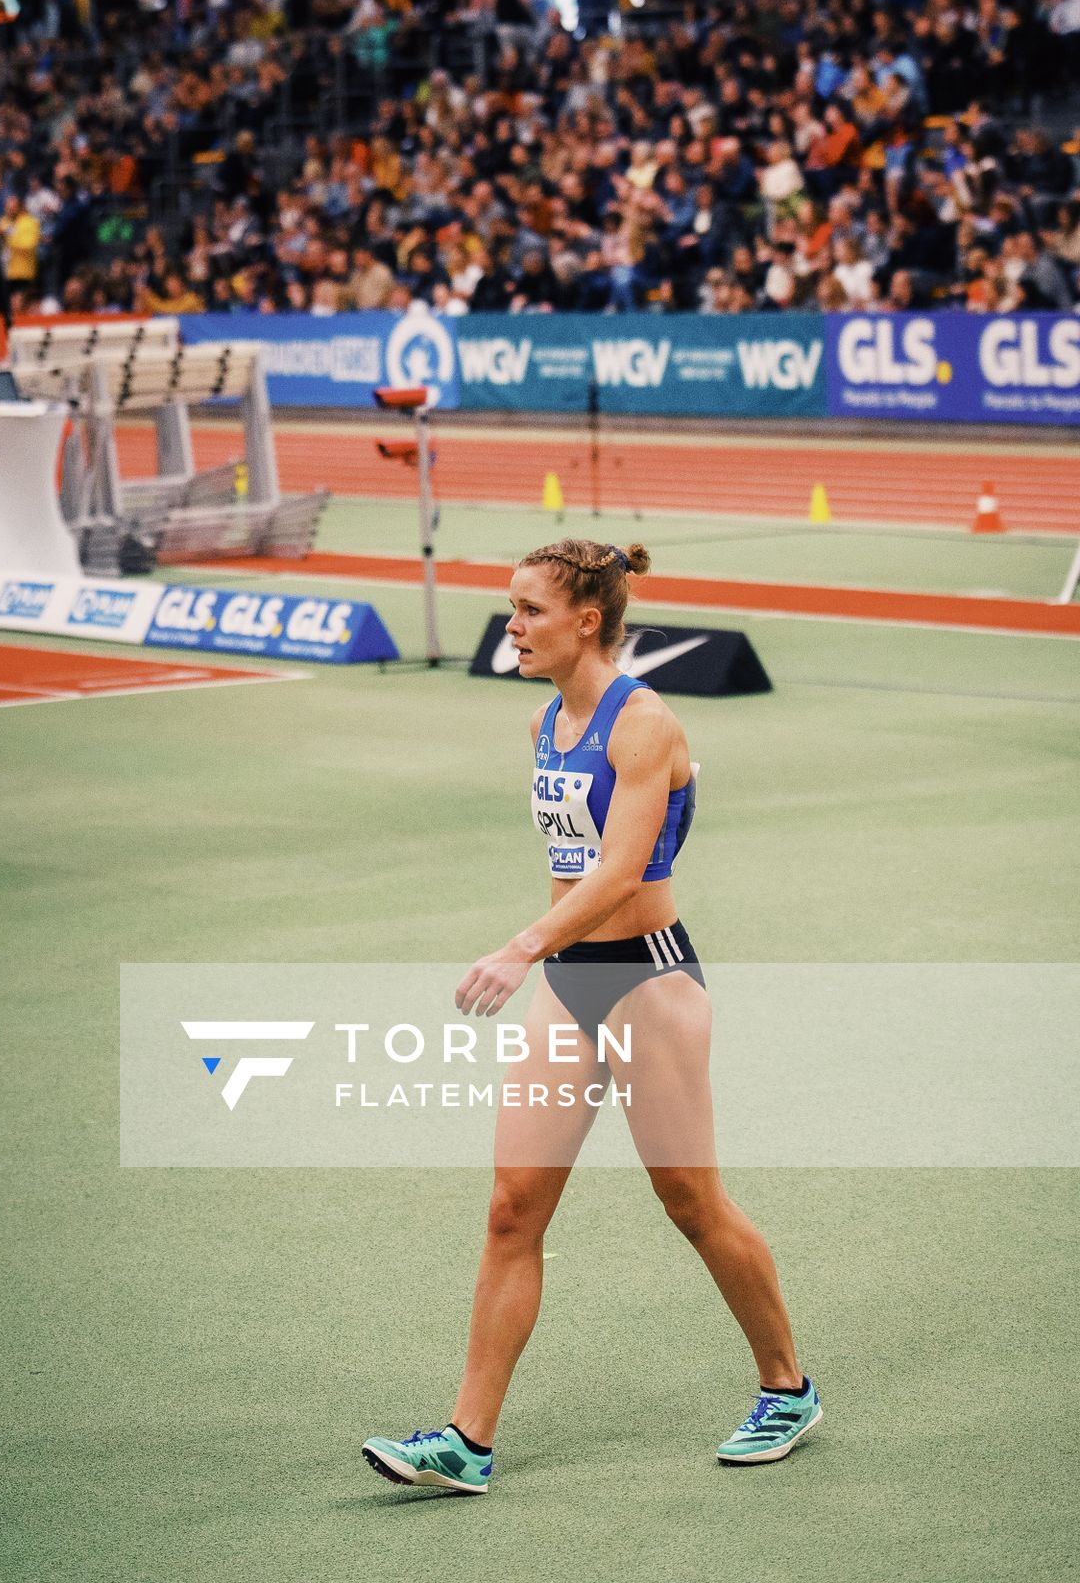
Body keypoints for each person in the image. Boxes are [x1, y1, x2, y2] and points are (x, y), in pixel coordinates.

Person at [362, 540, 820, 1494]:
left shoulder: (644, 724)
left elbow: (619, 872)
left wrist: (520, 945)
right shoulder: (544, 720)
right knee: (511, 1211)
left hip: (649, 983)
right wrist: (547, 957)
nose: (512, 626)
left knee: (691, 1204)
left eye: (529, 611)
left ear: (586, 620)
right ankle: (466, 1439)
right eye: (511, 608)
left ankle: (788, 1387)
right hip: (571, 984)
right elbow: (574, 866)